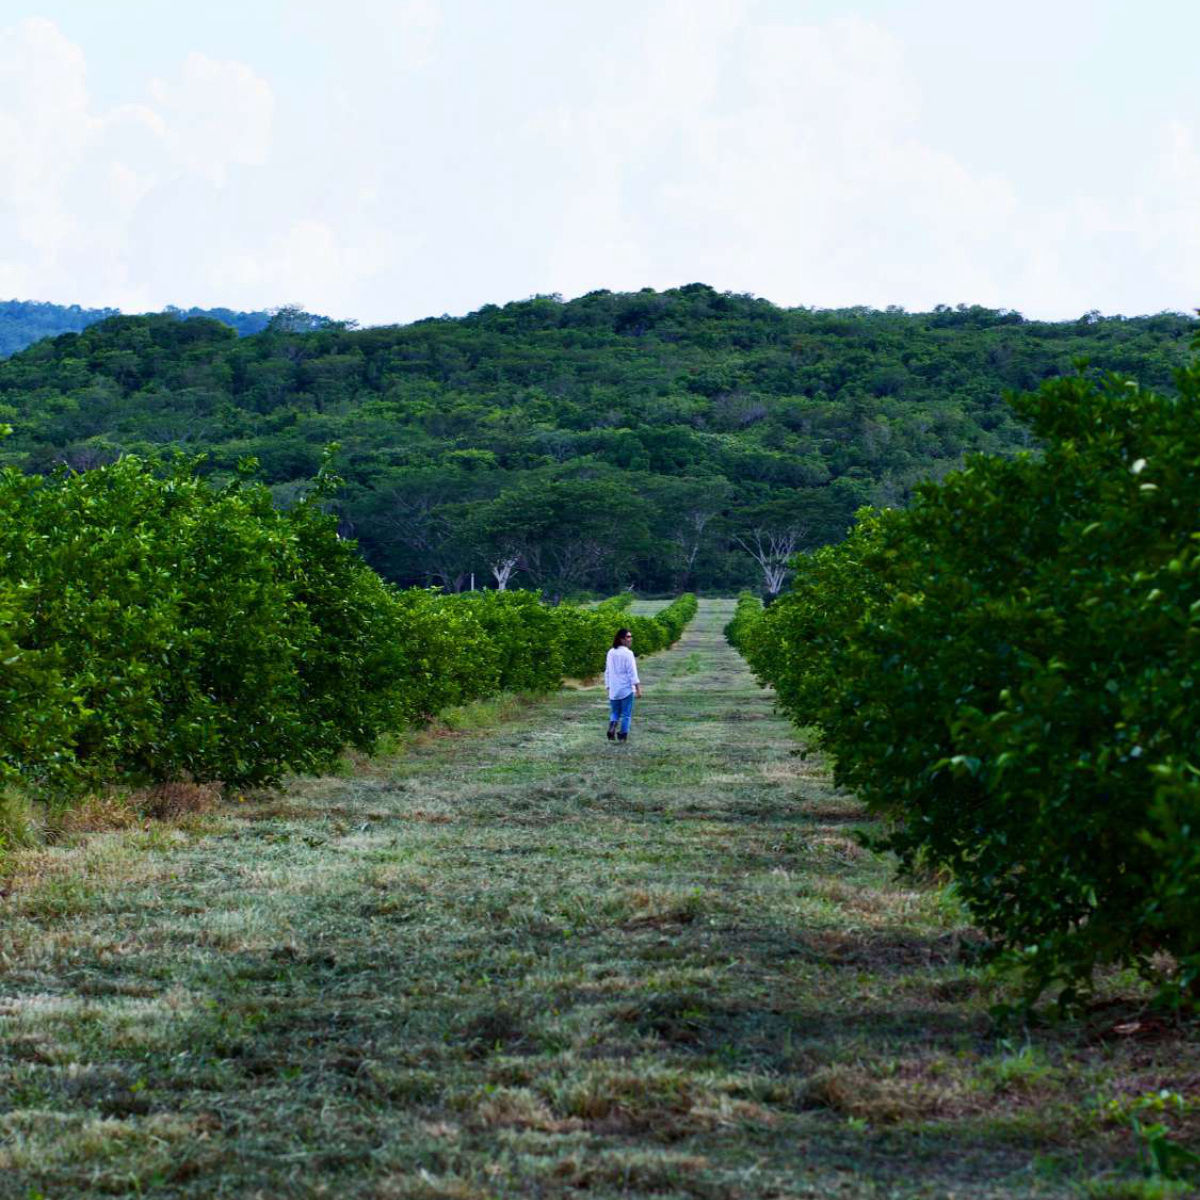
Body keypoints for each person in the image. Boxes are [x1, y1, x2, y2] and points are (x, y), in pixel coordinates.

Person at [604, 627, 642, 743]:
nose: (630, 639)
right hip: (626, 688)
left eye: (631, 637)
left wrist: (608, 686)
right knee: (626, 714)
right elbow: (632, 672)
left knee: (615, 712)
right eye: (628, 637)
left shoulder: (611, 652)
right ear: (621, 639)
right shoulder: (628, 653)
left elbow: (607, 671)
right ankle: (622, 735)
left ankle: (612, 727)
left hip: (614, 688)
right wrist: (638, 689)